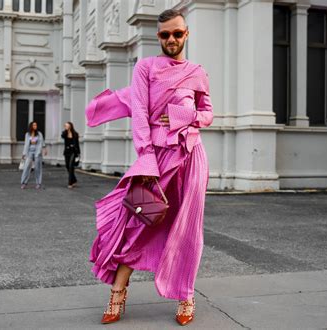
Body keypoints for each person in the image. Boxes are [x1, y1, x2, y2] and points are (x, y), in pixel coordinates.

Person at [85, 9, 213, 326]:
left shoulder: (197, 71)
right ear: (158, 37)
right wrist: (145, 159)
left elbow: (207, 113)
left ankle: (186, 297)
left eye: (177, 33)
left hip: (191, 155)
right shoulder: (145, 67)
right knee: (137, 223)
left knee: (188, 228)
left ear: (186, 34)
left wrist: (187, 118)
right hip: (155, 157)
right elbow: (140, 114)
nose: (171, 39)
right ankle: (117, 292)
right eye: (165, 34)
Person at [21, 121, 45, 189]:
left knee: (38, 167)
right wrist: (24, 154)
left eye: (36, 125)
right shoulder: (27, 134)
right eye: (34, 125)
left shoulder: (39, 134)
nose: (35, 126)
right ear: (31, 126)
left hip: (37, 151)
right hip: (29, 151)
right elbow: (26, 144)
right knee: (26, 167)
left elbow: (42, 142)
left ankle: (38, 183)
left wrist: (44, 149)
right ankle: (24, 182)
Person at [61, 122, 80, 189]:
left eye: (67, 125)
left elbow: (77, 144)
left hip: (73, 152)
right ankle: (74, 179)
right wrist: (66, 130)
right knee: (67, 166)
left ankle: (70, 183)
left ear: (70, 126)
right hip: (67, 151)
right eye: (65, 125)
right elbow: (62, 136)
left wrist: (78, 153)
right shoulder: (65, 133)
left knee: (71, 166)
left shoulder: (75, 134)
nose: (65, 126)